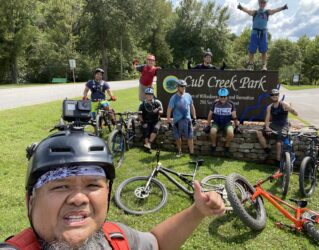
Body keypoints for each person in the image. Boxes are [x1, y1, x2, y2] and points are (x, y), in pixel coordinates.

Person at [0, 131, 225, 249]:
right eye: (61, 185)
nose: (79, 198)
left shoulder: (115, 238)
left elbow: (156, 244)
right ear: (30, 200)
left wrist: (197, 212)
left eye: (92, 185)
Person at [237, 0, 288, 71]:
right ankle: (250, 65)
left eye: (264, 2)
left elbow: (275, 10)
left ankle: (264, 66)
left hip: (263, 33)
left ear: (265, 4)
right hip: (254, 33)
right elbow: (248, 11)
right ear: (259, 3)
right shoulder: (255, 12)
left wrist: (283, 7)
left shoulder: (267, 12)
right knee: (251, 50)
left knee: (264, 51)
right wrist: (241, 7)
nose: (262, 4)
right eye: (261, 2)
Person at [256, 89, 298, 168]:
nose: (275, 96)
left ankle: (278, 162)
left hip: (283, 126)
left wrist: (292, 110)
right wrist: (267, 127)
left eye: (276, 95)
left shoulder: (283, 104)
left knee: (279, 143)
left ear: (278, 95)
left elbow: (296, 114)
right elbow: (267, 118)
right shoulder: (270, 107)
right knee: (259, 132)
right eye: (273, 95)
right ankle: (267, 150)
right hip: (274, 125)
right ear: (271, 97)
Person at [204, 88, 240, 157]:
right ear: (218, 96)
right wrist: (208, 125)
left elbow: (234, 116)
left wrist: (237, 126)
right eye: (221, 96)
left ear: (227, 96)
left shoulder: (231, 104)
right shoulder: (215, 103)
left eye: (224, 96)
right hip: (216, 123)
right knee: (212, 131)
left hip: (227, 123)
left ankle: (226, 148)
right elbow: (210, 115)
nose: (223, 98)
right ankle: (213, 147)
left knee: (230, 133)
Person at [167, 79, 197, 158]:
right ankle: (179, 151)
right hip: (177, 121)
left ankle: (192, 153)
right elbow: (169, 110)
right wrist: (169, 121)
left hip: (188, 120)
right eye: (181, 86)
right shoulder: (173, 98)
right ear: (177, 87)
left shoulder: (188, 95)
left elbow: (192, 106)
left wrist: (194, 118)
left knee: (190, 137)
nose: (183, 88)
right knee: (178, 137)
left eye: (184, 86)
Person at [138, 87, 163, 152]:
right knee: (146, 130)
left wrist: (157, 110)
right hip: (146, 120)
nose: (149, 96)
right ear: (145, 95)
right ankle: (148, 147)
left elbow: (162, 112)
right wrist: (142, 122)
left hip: (156, 120)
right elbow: (139, 115)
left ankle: (148, 144)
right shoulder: (142, 104)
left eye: (151, 94)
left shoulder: (157, 102)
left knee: (155, 129)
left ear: (153, 95)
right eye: (148, 94)